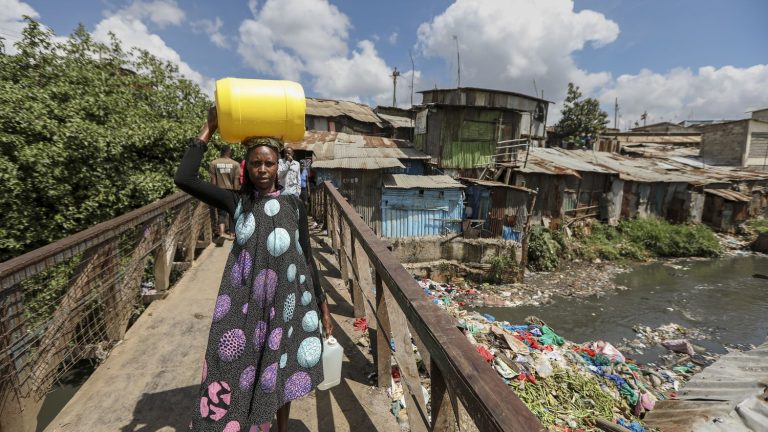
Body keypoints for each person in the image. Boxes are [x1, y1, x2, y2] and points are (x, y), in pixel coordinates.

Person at [175, 107, 333, 432]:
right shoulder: (237, 204)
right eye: (257, 163)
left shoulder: (294, 207)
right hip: (244, 307)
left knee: (282, 368)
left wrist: (323, 304)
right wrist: (209, 127)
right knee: (234, 367)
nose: (263, 169)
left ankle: (281, 428)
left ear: (278, 167)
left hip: (284, 304)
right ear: (247, 167)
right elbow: (184, 178)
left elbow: (307, 257)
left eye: (269, 163)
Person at [209, 145, 240, 240]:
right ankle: (232, 234)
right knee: (232, 212)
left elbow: (213, 180)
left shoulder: (213, 163)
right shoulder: (235, 164)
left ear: (221, 152)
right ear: (229, 152)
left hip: (219, 191)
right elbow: (236, 181)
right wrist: (236, 193)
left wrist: (212, 193)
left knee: (221, 213)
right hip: (231, 191)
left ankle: (221, 233)